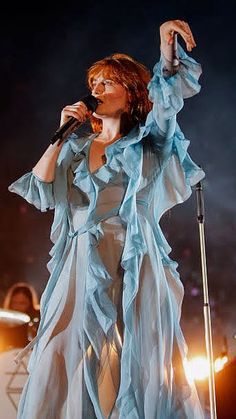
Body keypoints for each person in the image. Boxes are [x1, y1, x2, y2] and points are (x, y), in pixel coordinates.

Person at [9, 19, 205, 419]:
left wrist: (166, 50)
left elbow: (168, 97)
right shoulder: (76, 148)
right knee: (62, 352)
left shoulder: (149, 143)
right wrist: (60, 135)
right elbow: (41, 188)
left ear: (132, 93)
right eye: (94, 82)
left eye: (107, 83)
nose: (96, 89)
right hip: (80, 260)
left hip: (132, 257)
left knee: (131, 352)